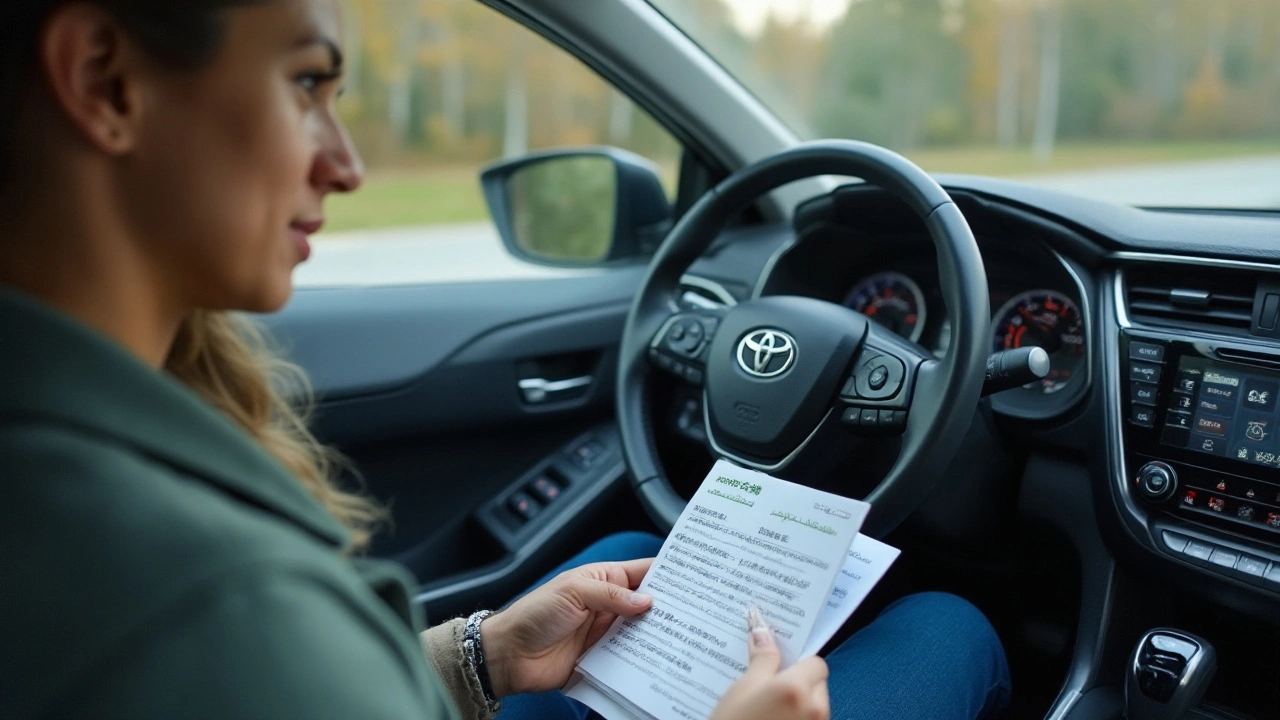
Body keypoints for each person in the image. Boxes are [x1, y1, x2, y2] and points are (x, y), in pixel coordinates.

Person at [0, 2, 1010, 719]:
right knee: (949, 628)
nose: (344, 165)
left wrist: (476, 658)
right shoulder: (212, 592)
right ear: (104, 81)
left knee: (593, 567)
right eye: (306, 81)